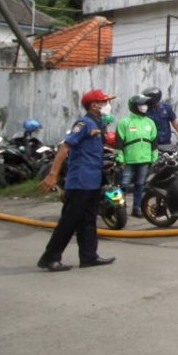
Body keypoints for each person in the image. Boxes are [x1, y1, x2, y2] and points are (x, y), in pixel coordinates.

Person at [35, 88, 118, 272]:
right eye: (105, 102)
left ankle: (89, 256)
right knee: (69, 221)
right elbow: (65, 147)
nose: (108, 105)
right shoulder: (84, 123)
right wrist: (52, 174)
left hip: (93, 180)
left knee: (88, 220)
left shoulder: (98, 123)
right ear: (94, 105)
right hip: (80, 180)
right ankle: (50, 258)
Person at [115, 94, 157, 218]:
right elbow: (119, 143)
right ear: (134, 106)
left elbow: (154, 142)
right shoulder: (124, 122)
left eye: (145, 104)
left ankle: (137, 208)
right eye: (141, 104)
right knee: (122, 185)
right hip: (128, 160)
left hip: (145, 159)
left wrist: (154, 158)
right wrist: (120, 158)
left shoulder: (150, 122)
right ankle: (119, 208)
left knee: (140, 185)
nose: (144, 107)